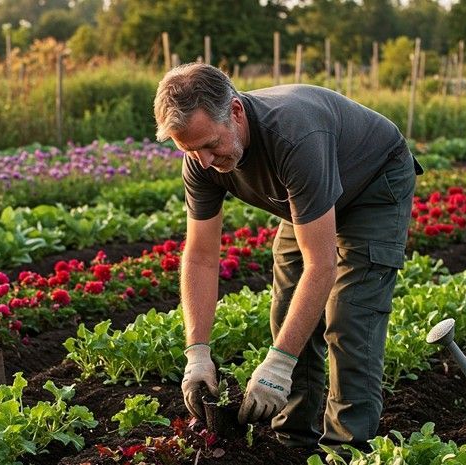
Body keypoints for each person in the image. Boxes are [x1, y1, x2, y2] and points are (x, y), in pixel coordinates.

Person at [153, 62, 423, 453]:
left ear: (236, 111)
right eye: (191, 150)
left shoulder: (294, 135)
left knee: (350, 318)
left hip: (372, 184)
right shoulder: (200, 160)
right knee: (287, 313)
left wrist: (279, 363)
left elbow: (322, 263)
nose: (205, 161)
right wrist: (197, 352)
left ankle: (345, 450)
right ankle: (292, 443)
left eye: (211, 145)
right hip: (306, 199)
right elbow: (200, 257)